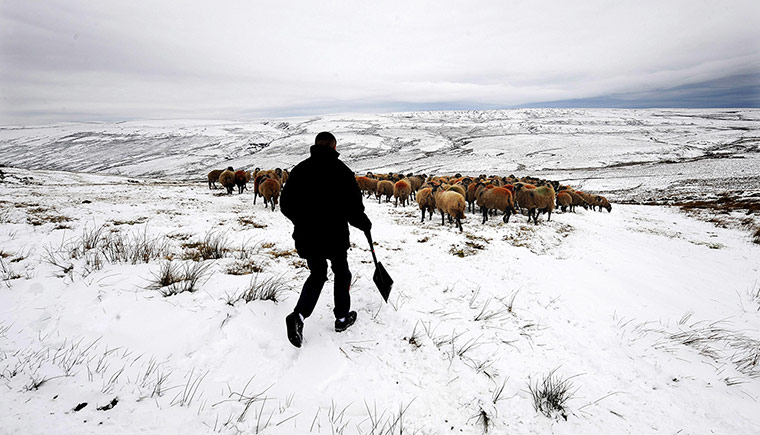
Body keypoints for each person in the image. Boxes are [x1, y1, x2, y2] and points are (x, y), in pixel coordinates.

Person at [280, 132, 372, 348]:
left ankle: (299, 316)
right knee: (342, 273)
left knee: (318, 274)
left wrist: (301, 220)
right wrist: (364, 223)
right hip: (334, 236)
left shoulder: (300, 170)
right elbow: (354, 208)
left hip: (307, 236)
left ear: (315, 146)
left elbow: (285, 205)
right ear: (334, 146)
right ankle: (341, 318)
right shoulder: (342, 172)